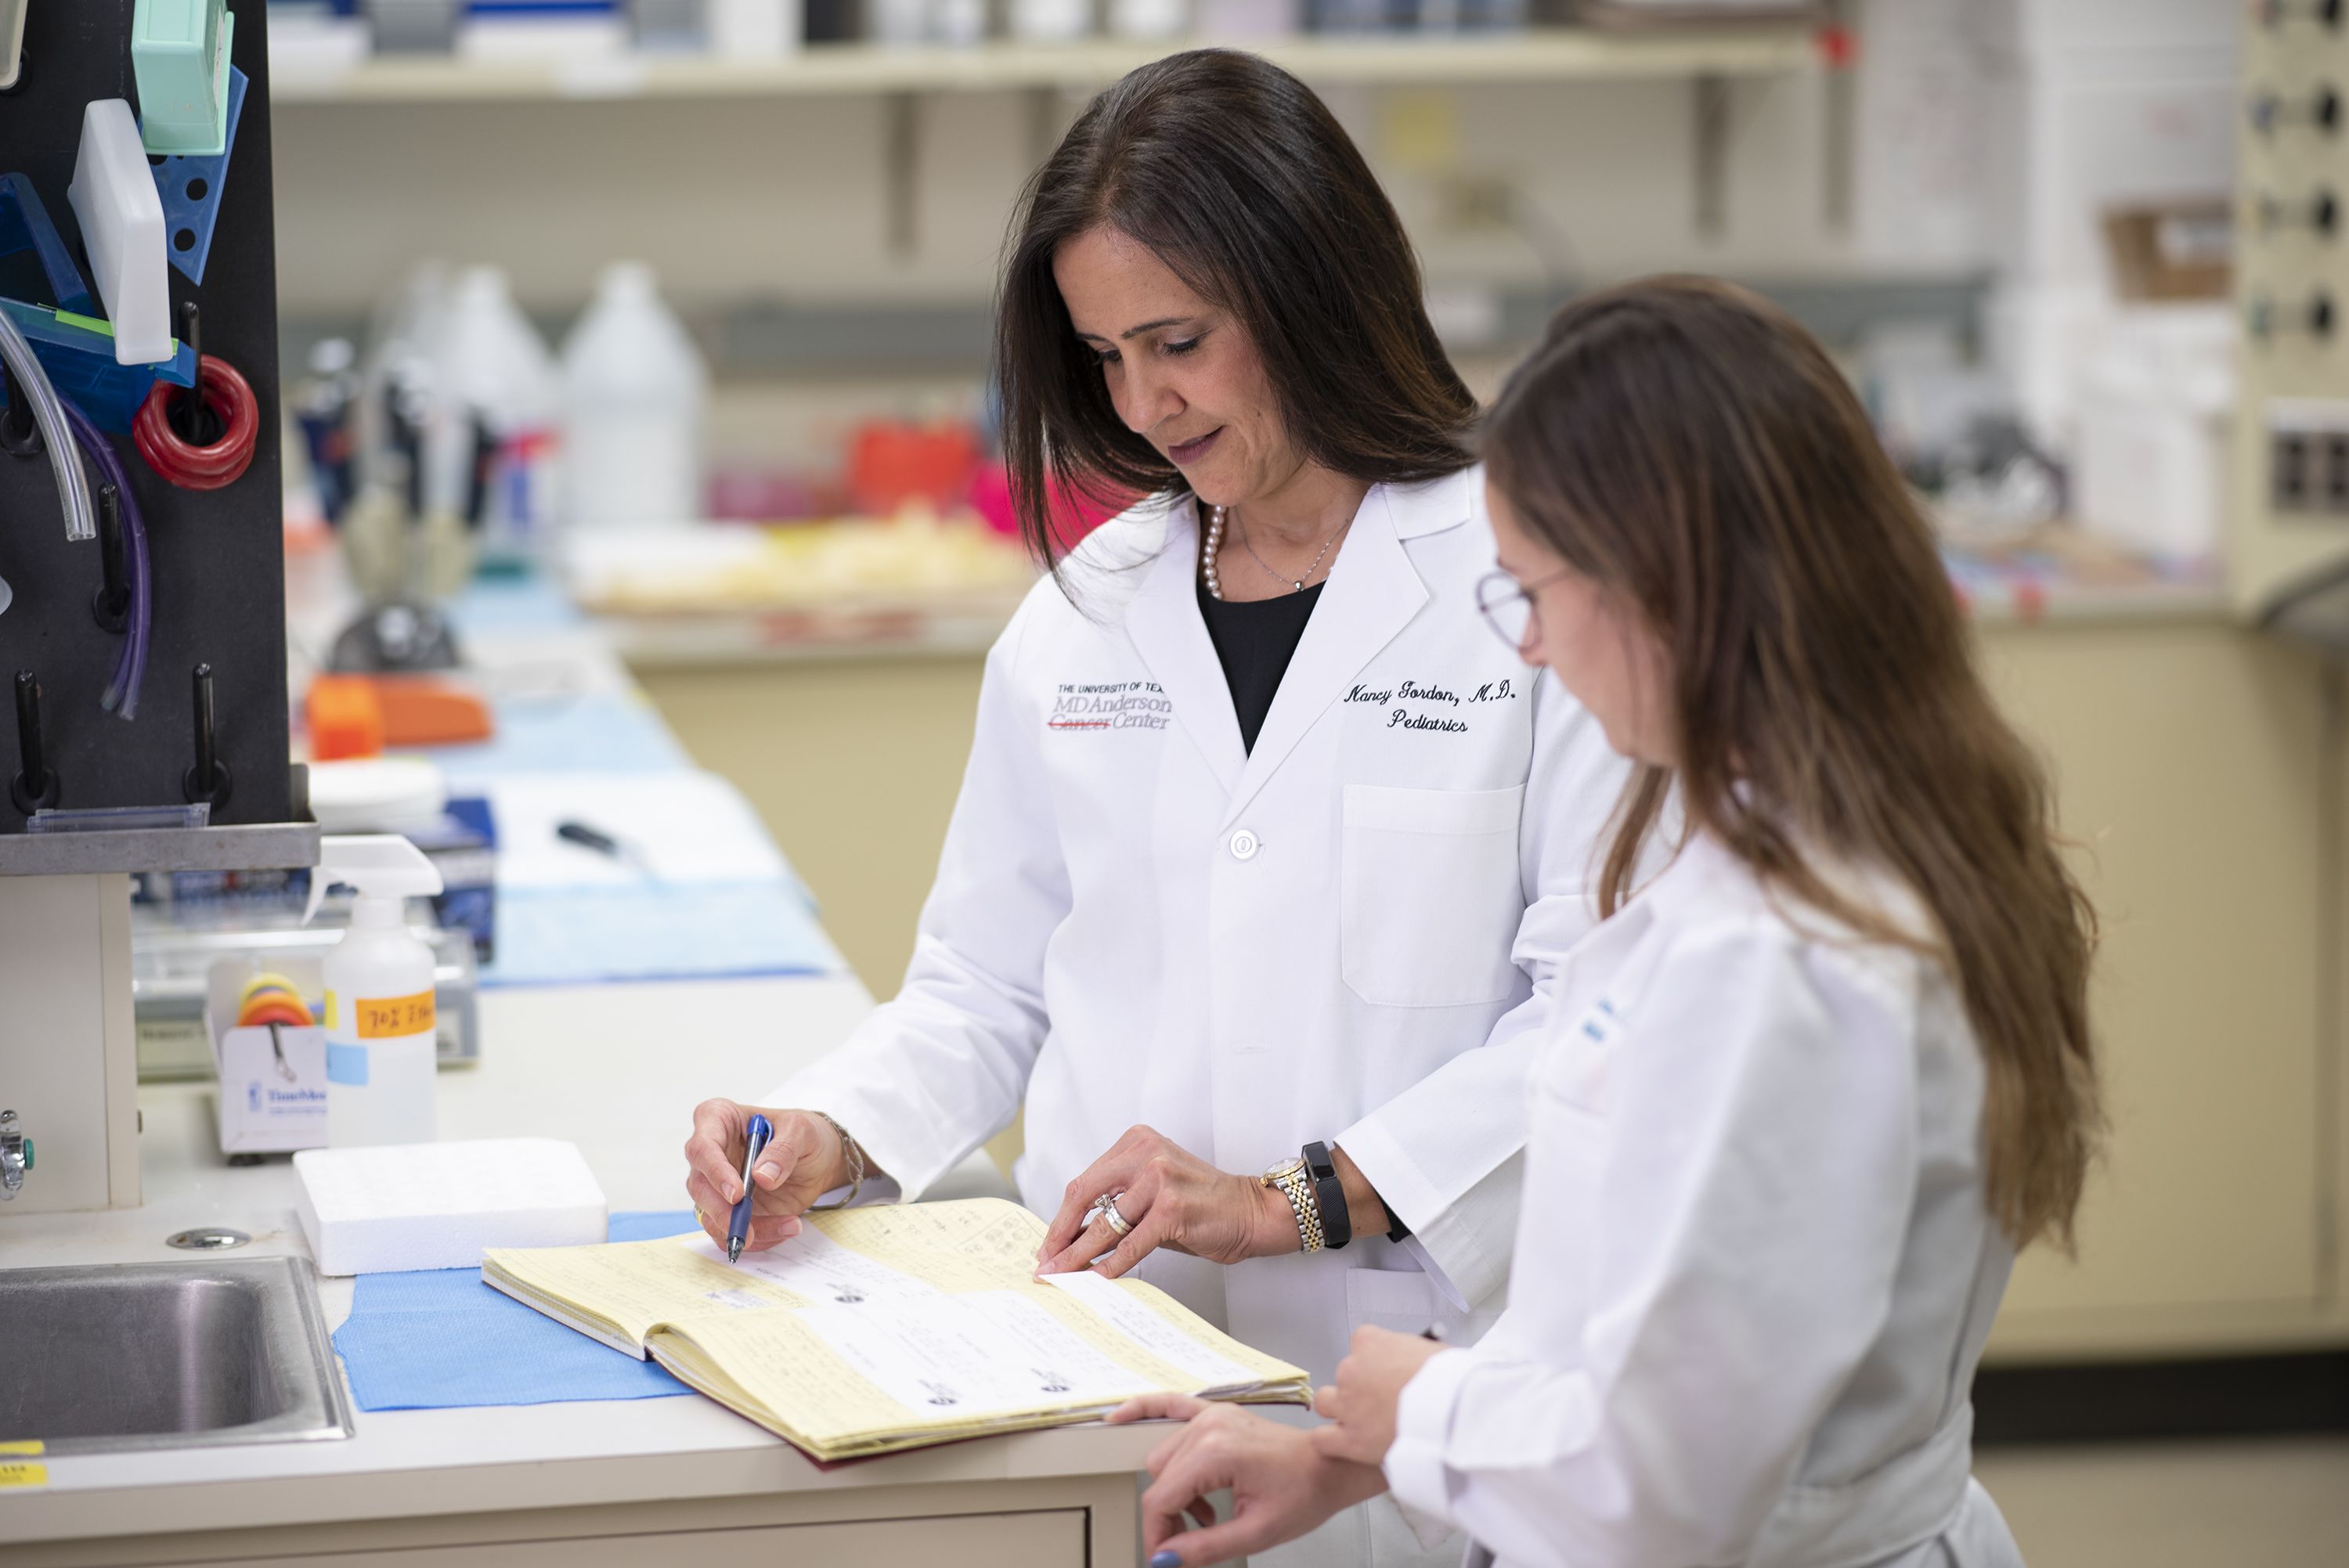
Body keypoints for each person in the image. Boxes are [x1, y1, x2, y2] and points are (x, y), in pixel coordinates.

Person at [679, 49, 1629, 1567]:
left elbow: (1598, 1023)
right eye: (1106, 356)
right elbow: (986, 983)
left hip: (1406, 1380)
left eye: (1177, 341)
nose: (1143, 402)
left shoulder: (1530, 589)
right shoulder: (1085, 617)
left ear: (1311, 290)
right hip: (1114, 1364)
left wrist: (1290, 1202)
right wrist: (834, 1131)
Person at [1116, 276, 2102, 1568]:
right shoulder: (1835, 847)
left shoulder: (1779, 959)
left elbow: (1668, 1486)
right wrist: (1346, 1457)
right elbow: (1643, 1328)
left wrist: (1417, 1407)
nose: (1527, 647)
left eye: (1533, 591)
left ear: (1667, 588)